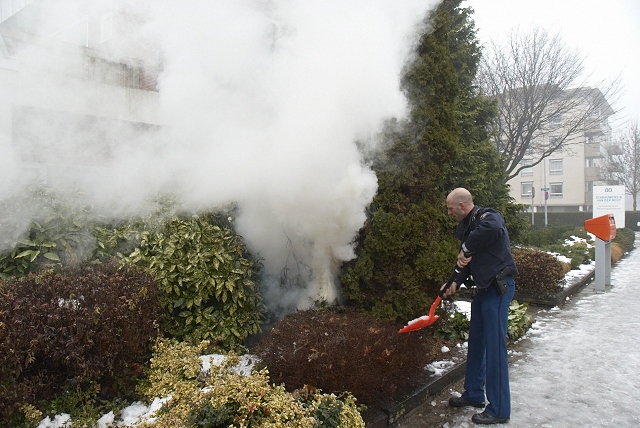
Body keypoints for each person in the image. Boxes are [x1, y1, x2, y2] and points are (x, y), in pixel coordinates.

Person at [441, 188, 518, 425]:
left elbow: (492, 230)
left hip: (498, 289)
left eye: (450, 208)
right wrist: (453, 281)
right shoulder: (468, 228)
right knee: (476, 343)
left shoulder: (488, 216)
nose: (448, 212)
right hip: (484, 291)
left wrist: (466, 249)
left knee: (495, 350)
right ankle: (474, 394)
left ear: (463, 205)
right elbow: (465, 262)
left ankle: (499, 409)